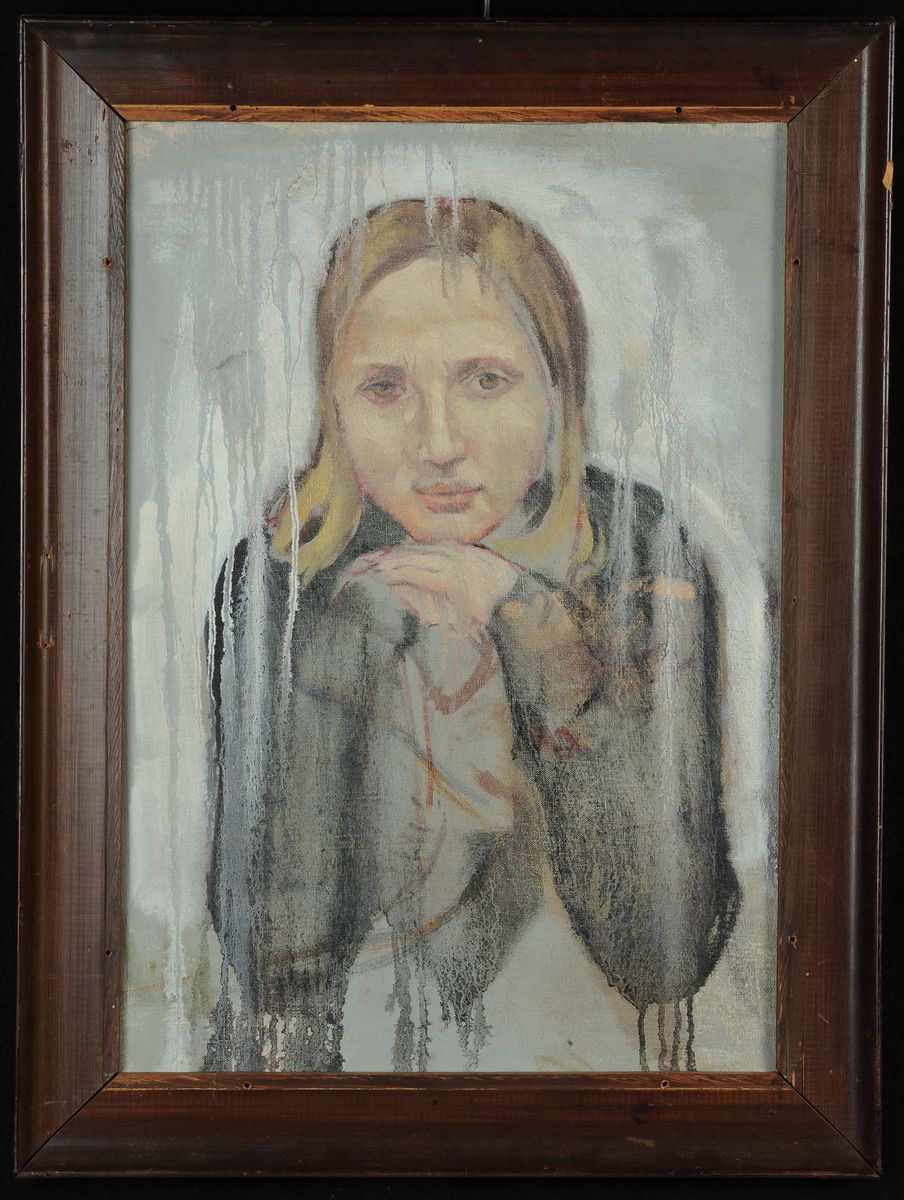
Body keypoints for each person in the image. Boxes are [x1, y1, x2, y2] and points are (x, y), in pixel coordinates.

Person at [202, 196, 740, 1073]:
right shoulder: (281, 571)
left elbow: (664, 954)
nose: (439, 443)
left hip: (594, 1081)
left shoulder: (639, 555)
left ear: (557, 387)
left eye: (486, 381)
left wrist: (533, 627)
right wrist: (351, 638)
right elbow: (274, 956)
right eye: (385, 388)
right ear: (333, 403)